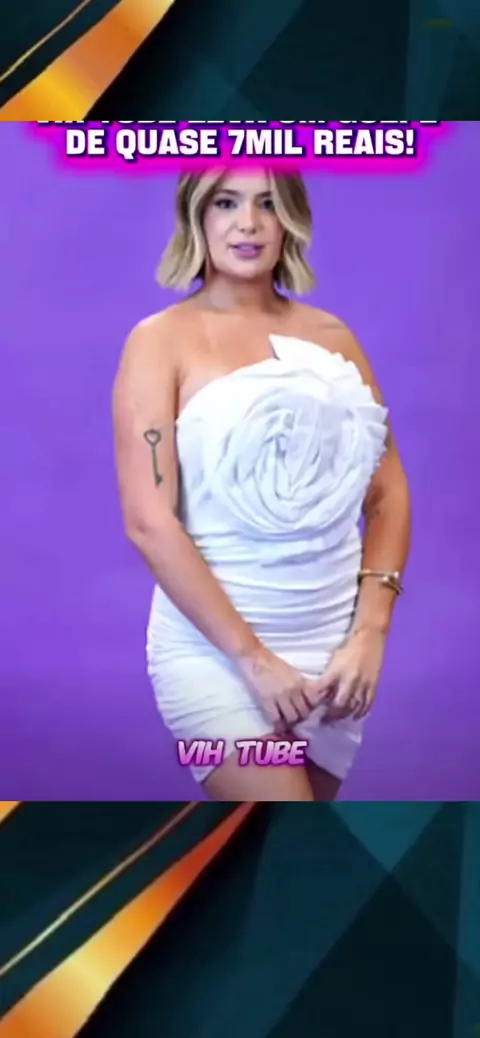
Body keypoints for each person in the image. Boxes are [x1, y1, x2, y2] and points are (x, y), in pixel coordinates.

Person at [112, 168, 411, 802]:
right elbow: (149, 522)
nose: (247, 223)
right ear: (197, 216)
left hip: (335, 657)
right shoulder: (159, 341)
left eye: (268, 204)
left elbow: (387, 494)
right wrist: (252, 658)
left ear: (290, 220)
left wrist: (370, 634)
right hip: (218, 656)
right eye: (226, 203)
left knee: (294, 853)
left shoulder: (334, 338)